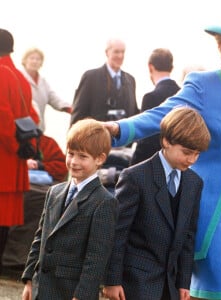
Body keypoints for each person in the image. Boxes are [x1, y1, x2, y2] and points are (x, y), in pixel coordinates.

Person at [104, 11, 221, 300]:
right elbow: (162, 114)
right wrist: (117, 129)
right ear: (219, 46)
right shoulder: (201, 84)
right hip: (203, 203)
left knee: (200, 289)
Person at [103, 106, 211, 300]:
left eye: (197, 154)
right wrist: (112, 280)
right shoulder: (135, 177)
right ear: (166, 141)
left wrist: (184, 281)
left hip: (170, 284)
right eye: (187, 152)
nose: (192, 160)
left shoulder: (195, 183)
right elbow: (117, 232)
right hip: (134, 283)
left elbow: (188, 236)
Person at [21, 118, 118, 300]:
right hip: (40, 288)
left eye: (82, 156)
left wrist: (81, 295)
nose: (73, 161)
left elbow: (96, 258)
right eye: (71, 153)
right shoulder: (54, 191)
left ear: (100, 159)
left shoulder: (104, 202)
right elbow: (39, 239)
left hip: (70, 292)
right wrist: (29, 280)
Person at [0, 28, 39, 274]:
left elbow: (3, 118)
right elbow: (32, 117)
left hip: (4, 156)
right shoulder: (21, 77)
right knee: (3, 223)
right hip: (14, 161)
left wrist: (13, 146)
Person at [2, 134, 68, 270]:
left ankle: (22, 259)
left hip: (38, 191)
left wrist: (39, 165)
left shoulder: (45, 143)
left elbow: (61, 167)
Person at [70, 38, 139, 126]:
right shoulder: (91, 77)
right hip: (97, 136)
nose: (120, 56)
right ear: (107, 52)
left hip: (124, 137)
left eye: (123, 52)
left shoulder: (130, 80)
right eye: (116, 52)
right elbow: (78, 113)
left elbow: (134, 113)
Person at [130, 48, 180, 165]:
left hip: (154, 166)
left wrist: (130, 168)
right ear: (171, 68)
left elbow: (145, 140)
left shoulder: (150, 97)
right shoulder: (182, 94)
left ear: (150, 67)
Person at [21, 47, 72, 132]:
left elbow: (53, 98)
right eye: (32, 58)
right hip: (23, 128)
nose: (35, 61)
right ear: (25, 60)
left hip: (39, 128)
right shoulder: (18, 78)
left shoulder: (43, 81)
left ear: (41, 63)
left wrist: (69, 108)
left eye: (38, 59)